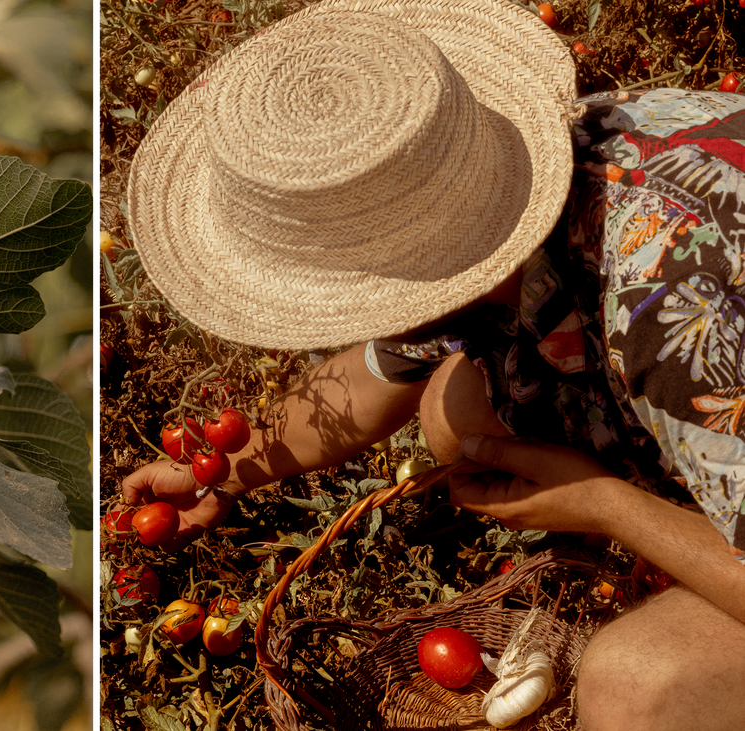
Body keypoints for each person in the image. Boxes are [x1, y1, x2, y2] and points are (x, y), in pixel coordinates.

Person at [116, 0, 745, 728]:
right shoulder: (498, 173)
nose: (341, 322)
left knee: (637, 689)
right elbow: (380, 368)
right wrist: (226, 468)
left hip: (693, 348)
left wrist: (605, 504)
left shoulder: (668, 315)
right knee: (458, 410)